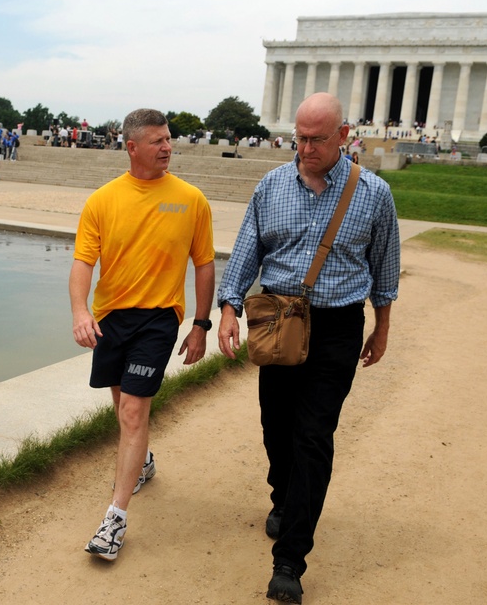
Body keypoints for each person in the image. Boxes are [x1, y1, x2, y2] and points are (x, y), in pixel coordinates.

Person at [216, 93, 400, 603]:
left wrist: (381, 327)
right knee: (275, 426)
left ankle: (291, 560)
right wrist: (229, 307)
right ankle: (284, 496)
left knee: (313, 436)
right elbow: (247, 250)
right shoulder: (272, 185)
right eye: (300, 137)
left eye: (318, 138)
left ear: (344, 136)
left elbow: (384, 269)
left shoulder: (374, 194)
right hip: (278, 319)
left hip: (338, 326)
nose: (306, 147)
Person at [70, 108, 216, 562]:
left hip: (159, 319)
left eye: (169, 139)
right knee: (122, 405)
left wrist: (200, 323)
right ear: (131, 147)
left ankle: (114, 519)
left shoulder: (191, 199)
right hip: (112, 318)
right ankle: (144, 460)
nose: (167, 147)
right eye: (157, 141)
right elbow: (82, 264)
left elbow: (204, 263)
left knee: (133, 411)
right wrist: (80, 311)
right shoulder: (102, 200)